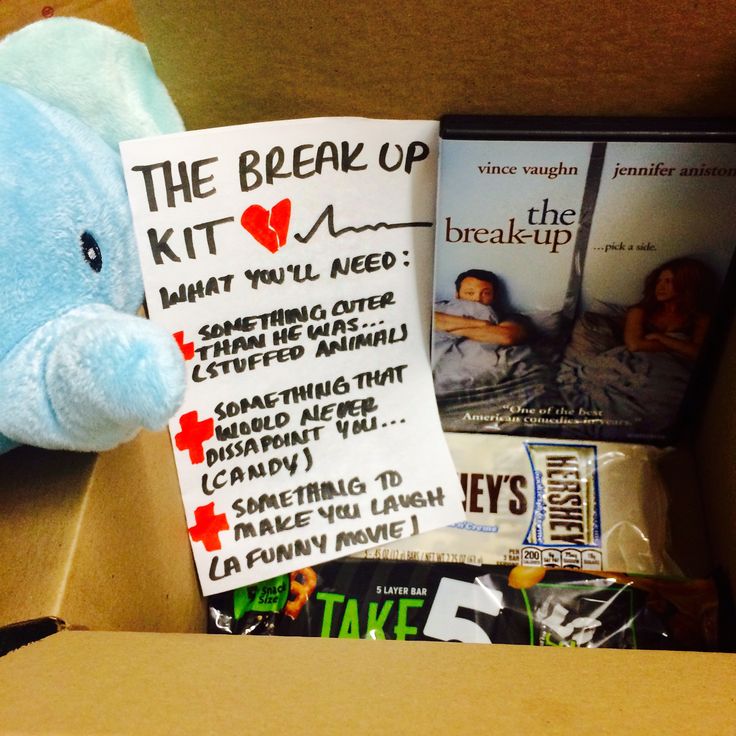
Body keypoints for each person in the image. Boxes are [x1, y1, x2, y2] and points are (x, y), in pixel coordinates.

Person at [623, 257, 716, 362]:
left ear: (686, 285)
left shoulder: (700, 318)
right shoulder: (640, 311)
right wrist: (682, 346)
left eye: (668, 281)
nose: (660, 287)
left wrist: (660, 338)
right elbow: (634, 345)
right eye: (658, 281)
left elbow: (699, 353)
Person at [434, 269, 526, 345]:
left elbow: (506, 336)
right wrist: (482, 324)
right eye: (470, 293)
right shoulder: (443, 307)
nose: (477, 299)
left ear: (494, 296)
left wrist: (446, 328)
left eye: (486, 293)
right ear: (457, 295)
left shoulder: (509, 317)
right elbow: (429, 319)